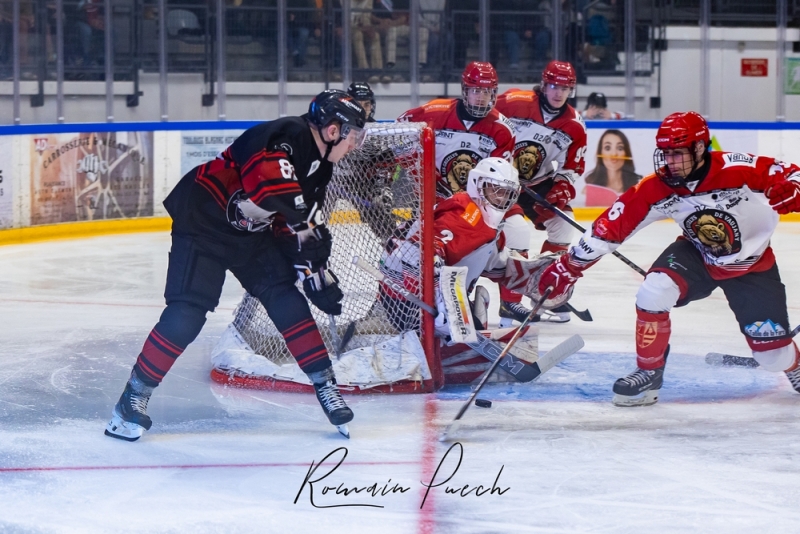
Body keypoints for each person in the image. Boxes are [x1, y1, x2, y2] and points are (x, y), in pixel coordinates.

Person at [105, 90, 367, 442]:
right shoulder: (286, 133)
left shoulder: (322, 169)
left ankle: (324, 384)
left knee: (285, 297)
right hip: (203, 225)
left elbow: (295, 227)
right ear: (333, 130)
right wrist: (305, 228)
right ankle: (132, 398)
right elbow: (268, 186)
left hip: (250, 237)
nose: (355, 144)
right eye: (353, 135)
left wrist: (316, 273)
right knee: (186, 314)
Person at [537, 111, 800, 407]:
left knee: (772, 357)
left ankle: (794, 364)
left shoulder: (739, 169)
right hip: (697, 254)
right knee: (655, 289)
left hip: (752, 265)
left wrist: (795, 190)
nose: (669, 162)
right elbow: (609, 227)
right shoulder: (657, 187)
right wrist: (569, 266)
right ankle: (648, 373)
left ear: (700, 148)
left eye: (677, 154)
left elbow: (792, 174)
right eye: (665, 154)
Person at [379, 157, 569, 338]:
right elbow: (416, 251)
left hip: (423, 298)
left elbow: (493, 264)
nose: (501, 197)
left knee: (475, 314)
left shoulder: (485, 219)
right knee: (468, 325)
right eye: (496, 190)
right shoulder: (466, 212)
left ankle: (459, 325)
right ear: (478, 184)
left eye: (507, 192)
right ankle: (441, 334)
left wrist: (536, 276)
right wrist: (439, 298)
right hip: (407, 303)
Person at [494, 60, 587, 325]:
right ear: (544, 85)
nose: (559, 93)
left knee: (563, 225)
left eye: (565, 88)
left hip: (535, 184)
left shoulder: (575, 125)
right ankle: (510, 301)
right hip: (500, 182)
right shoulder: (512, 102)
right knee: (516, 232)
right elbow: (483, 126)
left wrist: (561, 187)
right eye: (554, 86)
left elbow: (573, 166)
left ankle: (541, 290)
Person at [397, 61, 515, 198]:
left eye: (487, 91)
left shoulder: (503, 129)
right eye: (476, 91)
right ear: (465, 90)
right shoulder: (433, 112)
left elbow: (498, 180)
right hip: (429, 199)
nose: (482, 97)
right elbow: (396, 131)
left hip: (476, 204)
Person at [583, 129, 641, 204]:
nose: (614, 154)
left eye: (620, 148)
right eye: (607, 148)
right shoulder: (589, 190)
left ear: (626, 152)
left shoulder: (638, 187)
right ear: (600, 152)